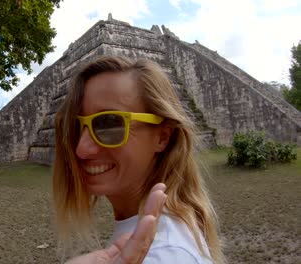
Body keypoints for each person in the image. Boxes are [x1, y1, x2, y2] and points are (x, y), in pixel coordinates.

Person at [53, 56, 226, 263]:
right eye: (74, 126)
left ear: (162, 137)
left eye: (109, 124)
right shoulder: (149, 233)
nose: (82, 149)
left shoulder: (162, 253)